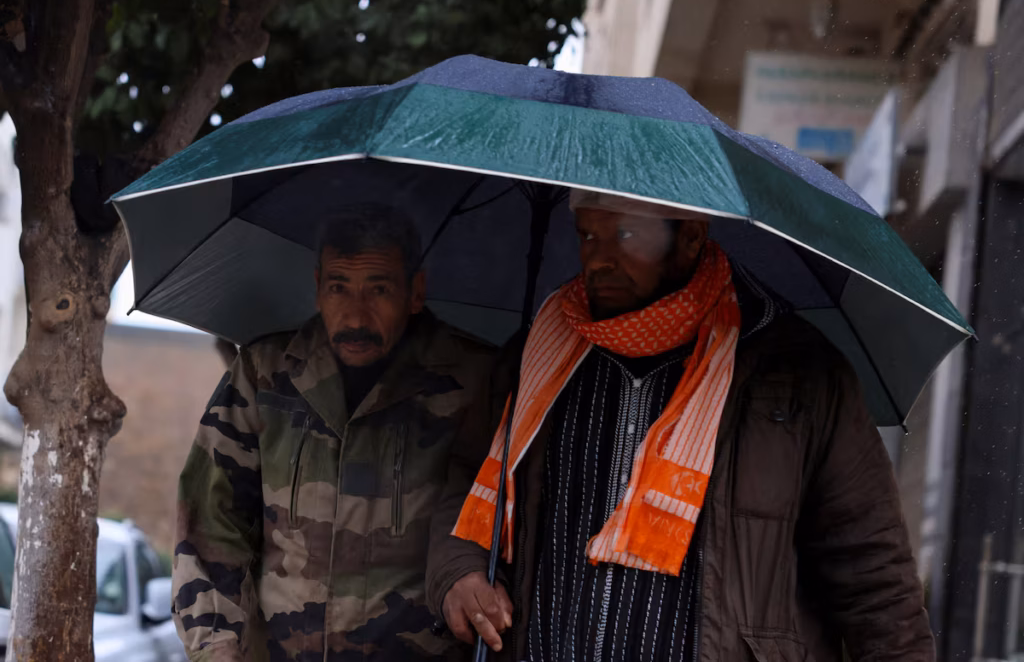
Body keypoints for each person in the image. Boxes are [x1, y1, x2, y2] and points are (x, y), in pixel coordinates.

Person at [426, 190, 934, 662]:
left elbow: (872, 573)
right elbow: (469, 483)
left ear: (691, 236)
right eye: (587, 235)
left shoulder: (797, 373)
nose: (599, 258)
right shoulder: (536, 354)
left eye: (626, 235)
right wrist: (459, 570)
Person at [172, 204, 495, 662]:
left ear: (416, 291)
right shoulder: (264, 375)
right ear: (318, 286)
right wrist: (216, 648)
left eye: (378, 289)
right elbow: (210, 525)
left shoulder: (477, 383)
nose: (356, 315)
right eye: (338, 288)